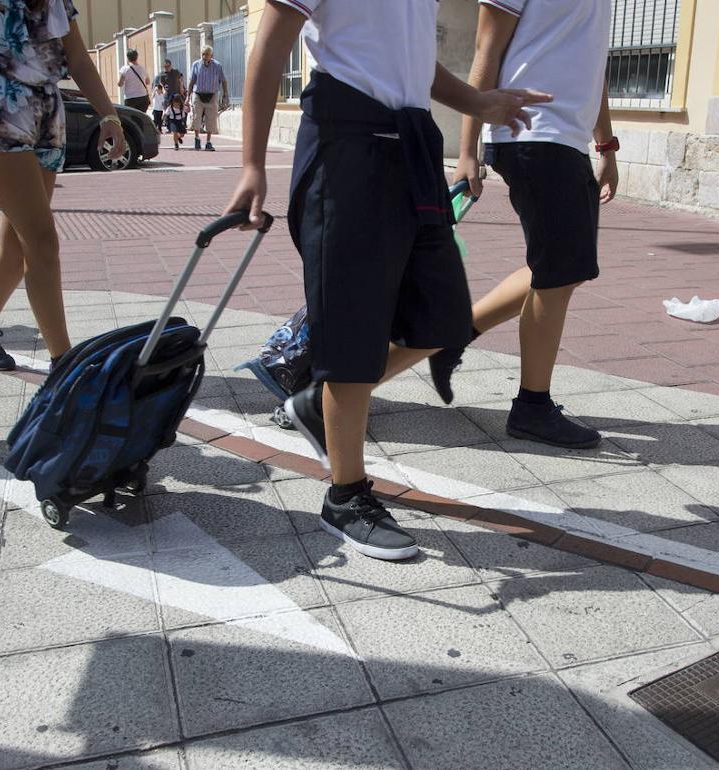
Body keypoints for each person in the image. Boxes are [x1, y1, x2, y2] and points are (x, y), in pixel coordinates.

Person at [225, 0, 549, 561]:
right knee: (353, 332)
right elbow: (270, 50)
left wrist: (476, 101)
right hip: (345, 147)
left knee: (443, 317)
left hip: (411, 145)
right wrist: (253, 164)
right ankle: (346, 497)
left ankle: (312, 404)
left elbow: (411, 60)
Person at [439, 0, 619, 449]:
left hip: (565, 140)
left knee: (561, 269)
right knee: (559, 274)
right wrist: (467, 150)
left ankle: (456, 335)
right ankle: (532, 407)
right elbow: (486, 49)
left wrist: (606, 146)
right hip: (530, 133)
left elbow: (591, 65)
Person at [0, 0, 126, 371]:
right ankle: (64, 364)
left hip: (47, 115)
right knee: (42, 239)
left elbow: (77, 58)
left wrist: (109, 114)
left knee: (18, 245)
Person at [189, 45, 227, 151]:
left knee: (211, 119)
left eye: (207, 54)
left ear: (211, 55)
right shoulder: (196, 65)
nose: (205, 56)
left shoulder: (217, 66)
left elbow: (223, 80)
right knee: (197, 118)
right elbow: (192, 81)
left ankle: (208, 142)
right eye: (203, 54)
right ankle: (197, 138)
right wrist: (188, 96)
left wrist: (225, 94)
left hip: (212, 95)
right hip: (198, 94)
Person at [117, 48, 150, 114]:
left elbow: (120, 84)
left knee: (131, 119)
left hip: (130, 98)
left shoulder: (124, 69)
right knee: (141, 118)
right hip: (143, 97)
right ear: (137, 57)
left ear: (128, 58)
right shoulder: (142, 68)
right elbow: (148, 82)